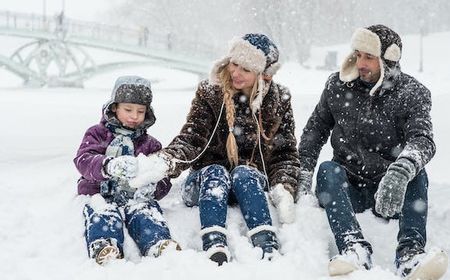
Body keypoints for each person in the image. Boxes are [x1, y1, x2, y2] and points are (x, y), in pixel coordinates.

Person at [131, 33, 301, 265]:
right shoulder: (211, 92)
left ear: (263, 75)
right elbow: (192, 138)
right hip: (205, 183)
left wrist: (284, 186)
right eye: (234, 64)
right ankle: (214, 242)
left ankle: (266, 242)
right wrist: (166, 161)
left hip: (248, 185)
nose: (236, 73)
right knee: (216, 172)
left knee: (245, 172)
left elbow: (285, 153)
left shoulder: (279, 99)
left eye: (246, 69)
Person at [298, 24, 448, 279]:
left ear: (388, 60)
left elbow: (423, 139)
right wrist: (302, 172)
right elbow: (315, 131)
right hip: (348, 188)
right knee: (327, 170)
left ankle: (410, 254)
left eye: (369, 57)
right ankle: (354, 247)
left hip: (392, 191)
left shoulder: (412, 93)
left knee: (417, 172)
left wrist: (400, 171)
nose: (361, 63)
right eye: (358, 55)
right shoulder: (337, 86)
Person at [74, 76, 180, 265]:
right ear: (114, 107)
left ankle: (157, 242)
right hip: (100, 193)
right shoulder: (97, 134)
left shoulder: (151, 144)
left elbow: (162, 176)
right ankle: (105, 244)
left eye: (140, 111)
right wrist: (107, 165)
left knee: (145, 212)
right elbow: (83, 159)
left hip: (135, 197)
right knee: (103, 212)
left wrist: (153, 187)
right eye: (128, 110)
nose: (134, 116)